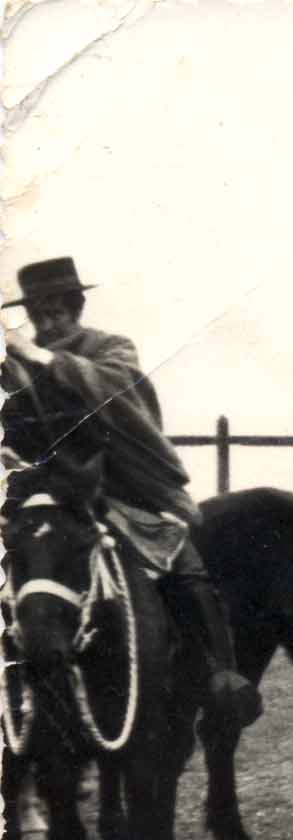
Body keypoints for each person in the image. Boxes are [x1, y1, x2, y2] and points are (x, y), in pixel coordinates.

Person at [0, 256, 259, 726]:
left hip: (121, 484)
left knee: (181, 558)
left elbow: (117, 391)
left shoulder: (111, 348)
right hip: (49, 492)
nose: (49, 321)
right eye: (38, 313)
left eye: (57, 310)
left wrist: (42, 359)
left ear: (75, 307)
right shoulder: (13, 367)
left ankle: (220, 672)